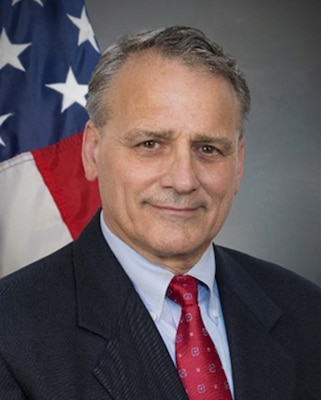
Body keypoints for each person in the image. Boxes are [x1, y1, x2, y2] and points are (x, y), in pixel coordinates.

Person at [0, 26, 320, 400]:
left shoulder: (307, 312)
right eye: (150, 143)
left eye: (208, 149)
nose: (183, 180)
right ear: (91, 152)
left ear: (238, 164)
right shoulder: (11, 332)